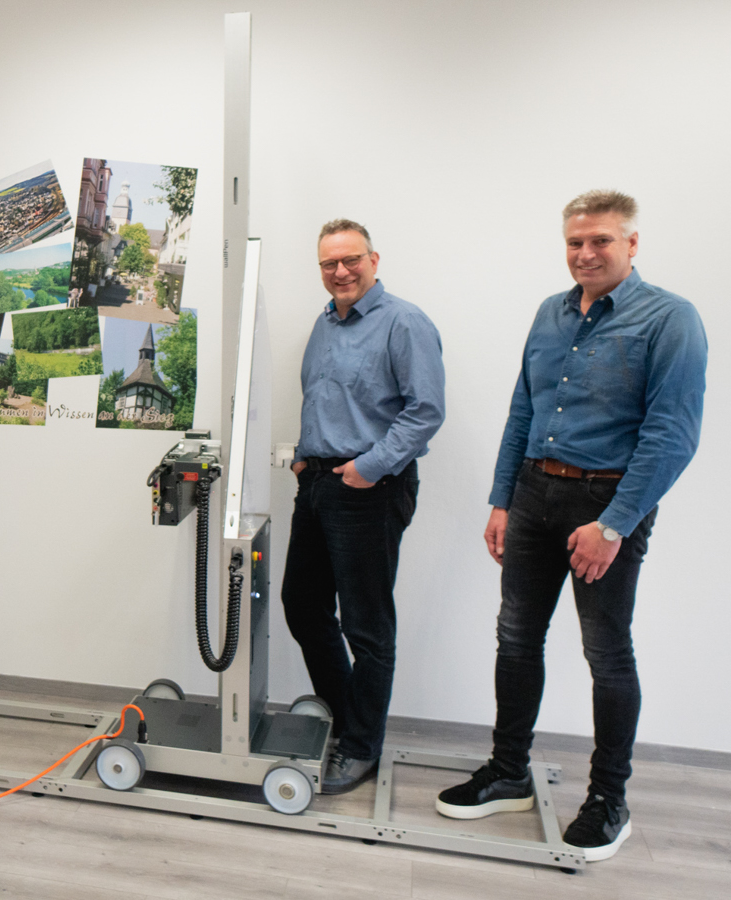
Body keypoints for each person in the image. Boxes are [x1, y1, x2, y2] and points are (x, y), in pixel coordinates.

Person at [436, 190, 707, 861]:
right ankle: (507, 774)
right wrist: (502, 500)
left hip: (607, 504)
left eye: (601, 242)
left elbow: (672, 435)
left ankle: (608, 799)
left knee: (606, 652)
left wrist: (612, 525)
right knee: (516, 636)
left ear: (632, 244)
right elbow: (522, 412)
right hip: (534, 493)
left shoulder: (670, 319)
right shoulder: (549, 314)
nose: (585, 254)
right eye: (575, 243)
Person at [281, 219, 446, 793]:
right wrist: (306, 457)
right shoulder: (325, 323)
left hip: (370, 489)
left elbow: (425, 411)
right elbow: (323, 398)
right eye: (329, 264)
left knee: (367, 626)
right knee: (301, 604)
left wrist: (366, 468)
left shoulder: (404, 322)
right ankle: (348, 720)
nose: (341, 272)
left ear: (374, 259)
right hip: (320, 485)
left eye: (350, 260)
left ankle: (360, 747)